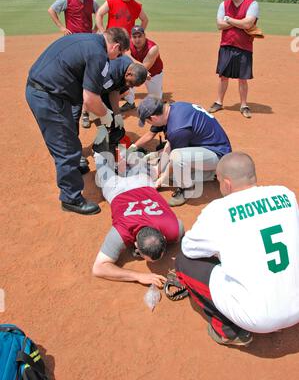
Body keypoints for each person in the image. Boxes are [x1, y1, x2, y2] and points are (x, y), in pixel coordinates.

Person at [175, 152, 299, 346]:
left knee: (184, 260)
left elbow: (189, 249)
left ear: (227, 184)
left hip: (257, 318)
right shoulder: (286, 195)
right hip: (296, 307)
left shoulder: (218, 210)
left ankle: (227, 330)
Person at [25, 28, 130, 215]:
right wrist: (107, 115)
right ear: (115, 46)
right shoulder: (99, 54)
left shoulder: (89, 39)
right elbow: (90, 99)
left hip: (51, 91)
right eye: (119, 54)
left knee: (67, 137)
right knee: (67, 148)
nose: (116, 58)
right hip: (47, 96)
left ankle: (72, 168)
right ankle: (71, 199)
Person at [92, 152, 184, 286]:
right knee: (103, 162)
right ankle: (108, 153)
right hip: (118, 189)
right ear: (135, 245)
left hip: (142, 183)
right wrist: (137, 276)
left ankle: (119, 152)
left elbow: (100, 267)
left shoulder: (175, 229)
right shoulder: (121, 232)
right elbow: (98, 269)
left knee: (131, 163)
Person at [137, 97, 232, 206]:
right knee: (170, 171)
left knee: (177, 161)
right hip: (205, 147)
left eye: (148, 121)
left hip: (218, 155)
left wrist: (161, 180)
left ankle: (187, 189)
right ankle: (210, 174)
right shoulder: (174, 108)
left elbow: (174, 155)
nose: (149, 124)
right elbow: (170, 143)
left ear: (153, 118)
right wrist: (158, 169)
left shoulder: (177, 128)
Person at [48, 0, 100, 130]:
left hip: (88, 41)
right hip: (72, 42)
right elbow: (51, 10)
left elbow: (100, 14)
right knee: (71, 73)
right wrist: (61, 27)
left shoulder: (92, 1)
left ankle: (85, 112)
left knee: (87, 75)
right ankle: (67, 105)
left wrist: (95, 30)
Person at [209, 0, 260, 119]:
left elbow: (248, 24)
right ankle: (219, 102)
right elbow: (219, 25)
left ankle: (244, 105)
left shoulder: (252, 4)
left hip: (244, 46)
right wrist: (240, 22)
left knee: (242, 78)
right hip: (226, 44)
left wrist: (229, 20)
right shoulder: (224, 4)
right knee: (223, 76)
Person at [121, 25, 164, 112]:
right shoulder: (128, 44)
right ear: (131, 38)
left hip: (153, 74)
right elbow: (125, 56)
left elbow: (143, 69)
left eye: (140, 36)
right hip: (135, 71)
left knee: (155, 102)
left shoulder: (153, 48)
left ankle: (158, 93)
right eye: (134, 37)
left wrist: (128, 56)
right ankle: (130, 102)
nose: (137, 39)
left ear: (145, 36)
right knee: (128, 78)